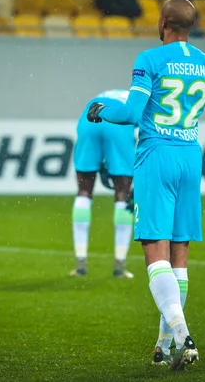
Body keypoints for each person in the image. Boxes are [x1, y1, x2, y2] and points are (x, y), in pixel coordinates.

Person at [86, 0, 205, 371]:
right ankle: (163, 346)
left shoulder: (149, 59)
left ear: (163, 22)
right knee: (179, 257)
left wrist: (101, 111)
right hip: (190, 157)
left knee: (155, 252)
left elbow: (133, 113)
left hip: (156, 157)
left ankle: (184, 337)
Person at [71, 89, 135, 279]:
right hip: (118, 123)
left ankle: (80, 262)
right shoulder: (136, 100)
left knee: (83, 191)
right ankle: (119, 264)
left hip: (89, 118)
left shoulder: (104, 94)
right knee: (123, 195)